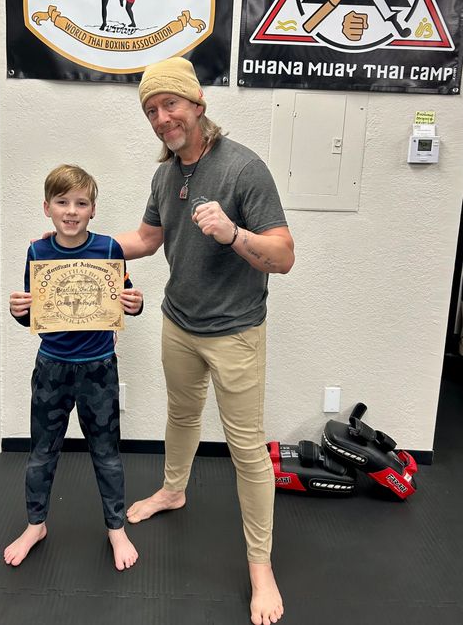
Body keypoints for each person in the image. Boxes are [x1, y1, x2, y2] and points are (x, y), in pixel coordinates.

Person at [115, 57, 294, 625]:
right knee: (181, 417)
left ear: (197, 104)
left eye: (170, 104)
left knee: (247, 452)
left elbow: (284, 257)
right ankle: (173, 490)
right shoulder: (166, 175)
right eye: (151, 110)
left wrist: (233, 232)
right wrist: (73, 240)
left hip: (236, 332)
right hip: (178, 324)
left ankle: (260, 568)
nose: (162, 117)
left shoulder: (244, 168)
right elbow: (146, 239)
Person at [4, 164, 143, 571]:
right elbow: (34, 314)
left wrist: (136, 305)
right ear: (47, 207)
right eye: (62, 202)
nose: (71, 211)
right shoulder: (37, 251)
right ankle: (35, 525)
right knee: (42, 454)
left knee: (107, 453)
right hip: (52, 367)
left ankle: (116, 528)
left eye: (80, 203)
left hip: (98, 368)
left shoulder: (110, 251)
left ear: (93, 210)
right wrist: (18, 312)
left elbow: (125, 300)